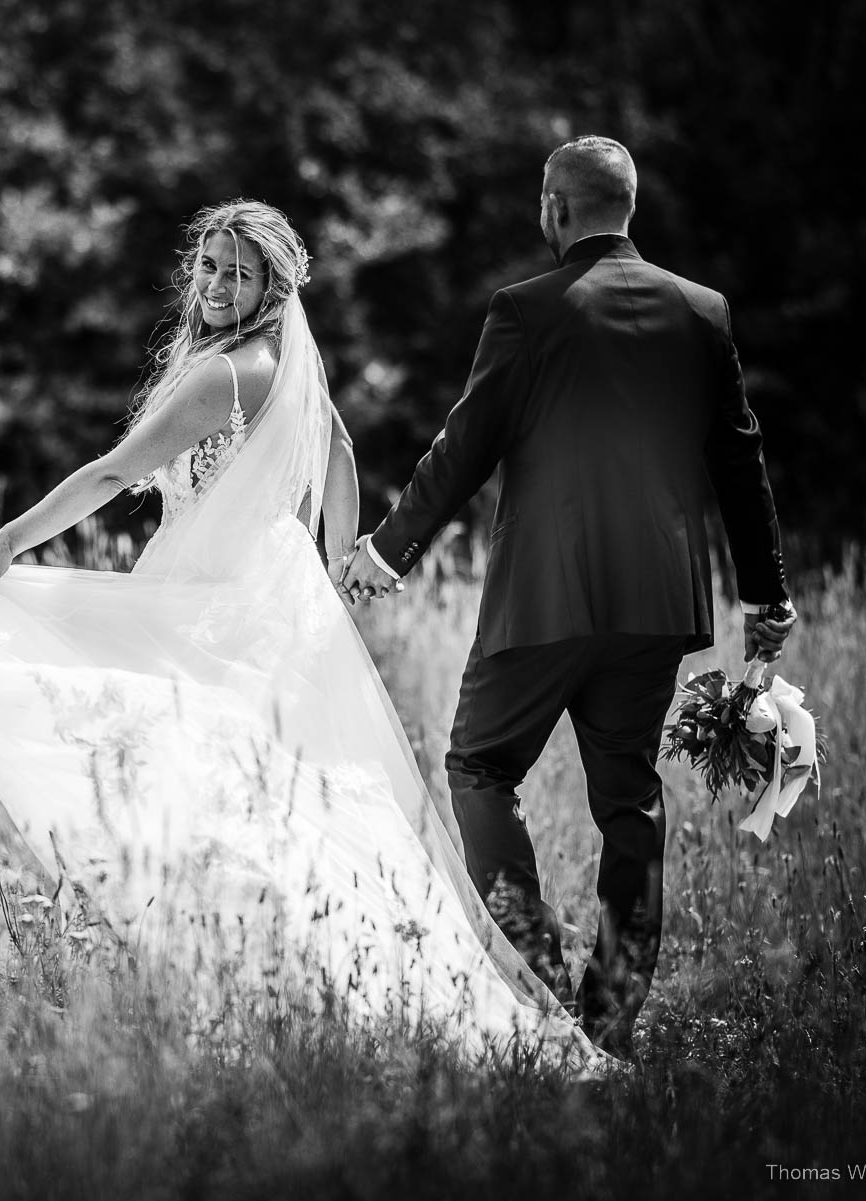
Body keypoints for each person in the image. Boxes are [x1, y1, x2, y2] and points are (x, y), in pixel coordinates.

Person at [0, 200, 598, 1064]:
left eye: (236, 273)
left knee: (206, 787)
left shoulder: (225, 377)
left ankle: (265, 988)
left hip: (216, 605)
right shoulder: (289, 367)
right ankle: (298, 976)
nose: (214, 284)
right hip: (265, 591)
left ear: (272, 287)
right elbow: (343, 456)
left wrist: (8, 540)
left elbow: (113, 471)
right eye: (207, 265)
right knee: (261, 792)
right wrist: (329, 571)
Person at [337, 137, 797, 1058]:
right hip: (657, 605)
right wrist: (765, 593)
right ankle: (610, 1025)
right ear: (630, 208)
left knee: (477, 767)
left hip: (543, 601)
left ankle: (543, 982)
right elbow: (738, 459)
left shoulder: (526, 311)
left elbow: (463, 446)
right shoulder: (701, 312)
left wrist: (386, 553)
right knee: (630, 804)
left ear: (554, 208)